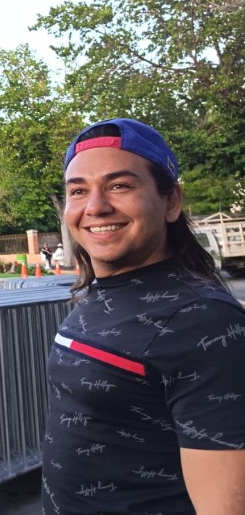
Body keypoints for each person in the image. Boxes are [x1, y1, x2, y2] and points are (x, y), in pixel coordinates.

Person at [42, 118, 245, 514]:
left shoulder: (202, 320)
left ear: (171, 201)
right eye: (78, 191)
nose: (95, 207)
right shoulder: (104, 293)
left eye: (120, 186)